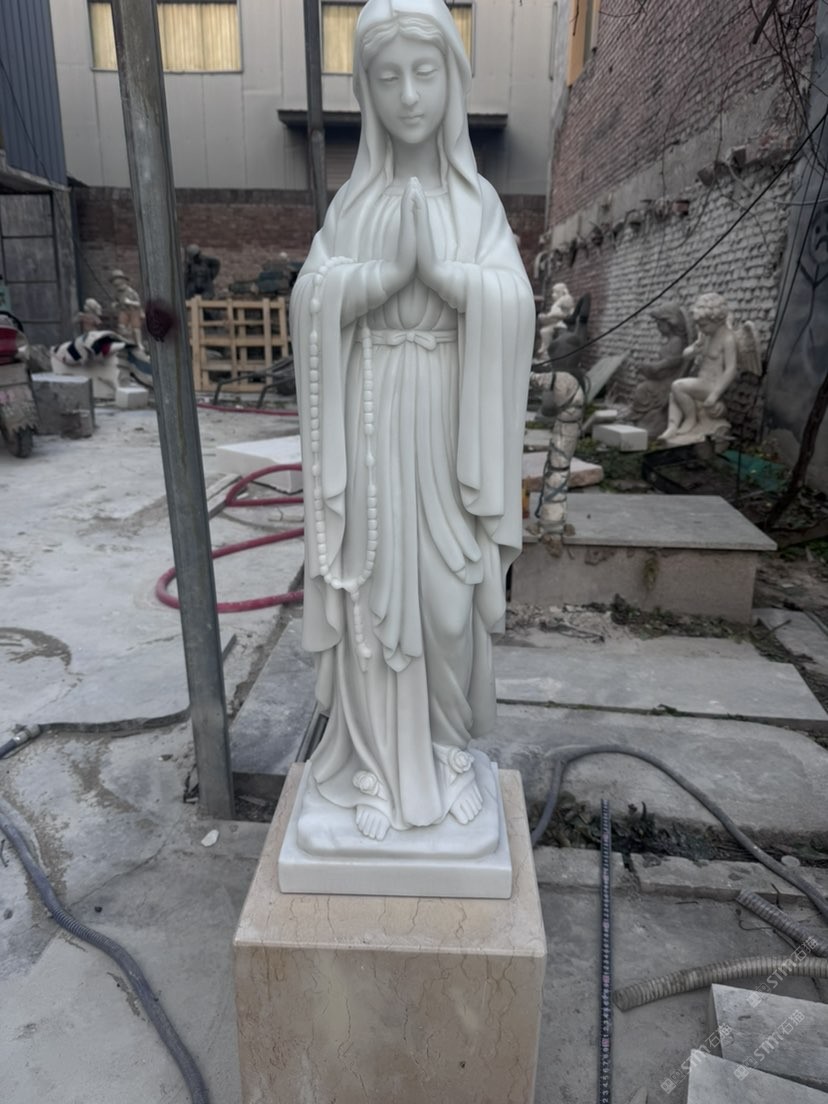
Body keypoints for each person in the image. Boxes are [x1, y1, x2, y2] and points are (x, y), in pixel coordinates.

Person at [291, 0, 534, 842]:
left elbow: (515, 304)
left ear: (452, 81)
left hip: (447, 425)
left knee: (446, 605)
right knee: (371, 592)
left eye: (424, 73)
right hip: (368, 423)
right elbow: (309, 302)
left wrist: (449, 278)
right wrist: (383, 277)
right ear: (366, 91)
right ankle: (374, 764)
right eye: (387, 77)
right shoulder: (354, 207)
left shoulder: (479, 206)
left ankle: (443, 750)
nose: (407, 96)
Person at [659, 292, 737, 444]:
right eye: (699, 325)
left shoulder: (728, 338)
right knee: (674, 394)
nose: (701, 328)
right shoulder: (707, 336)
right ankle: (672, 427)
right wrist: (695, 348)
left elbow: (731, 370)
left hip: (713, 385)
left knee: (678, 386)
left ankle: (690, 419)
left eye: (704, 325)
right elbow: (686, 355)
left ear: (717, 320)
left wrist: (714, 395)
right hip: (702, 382)